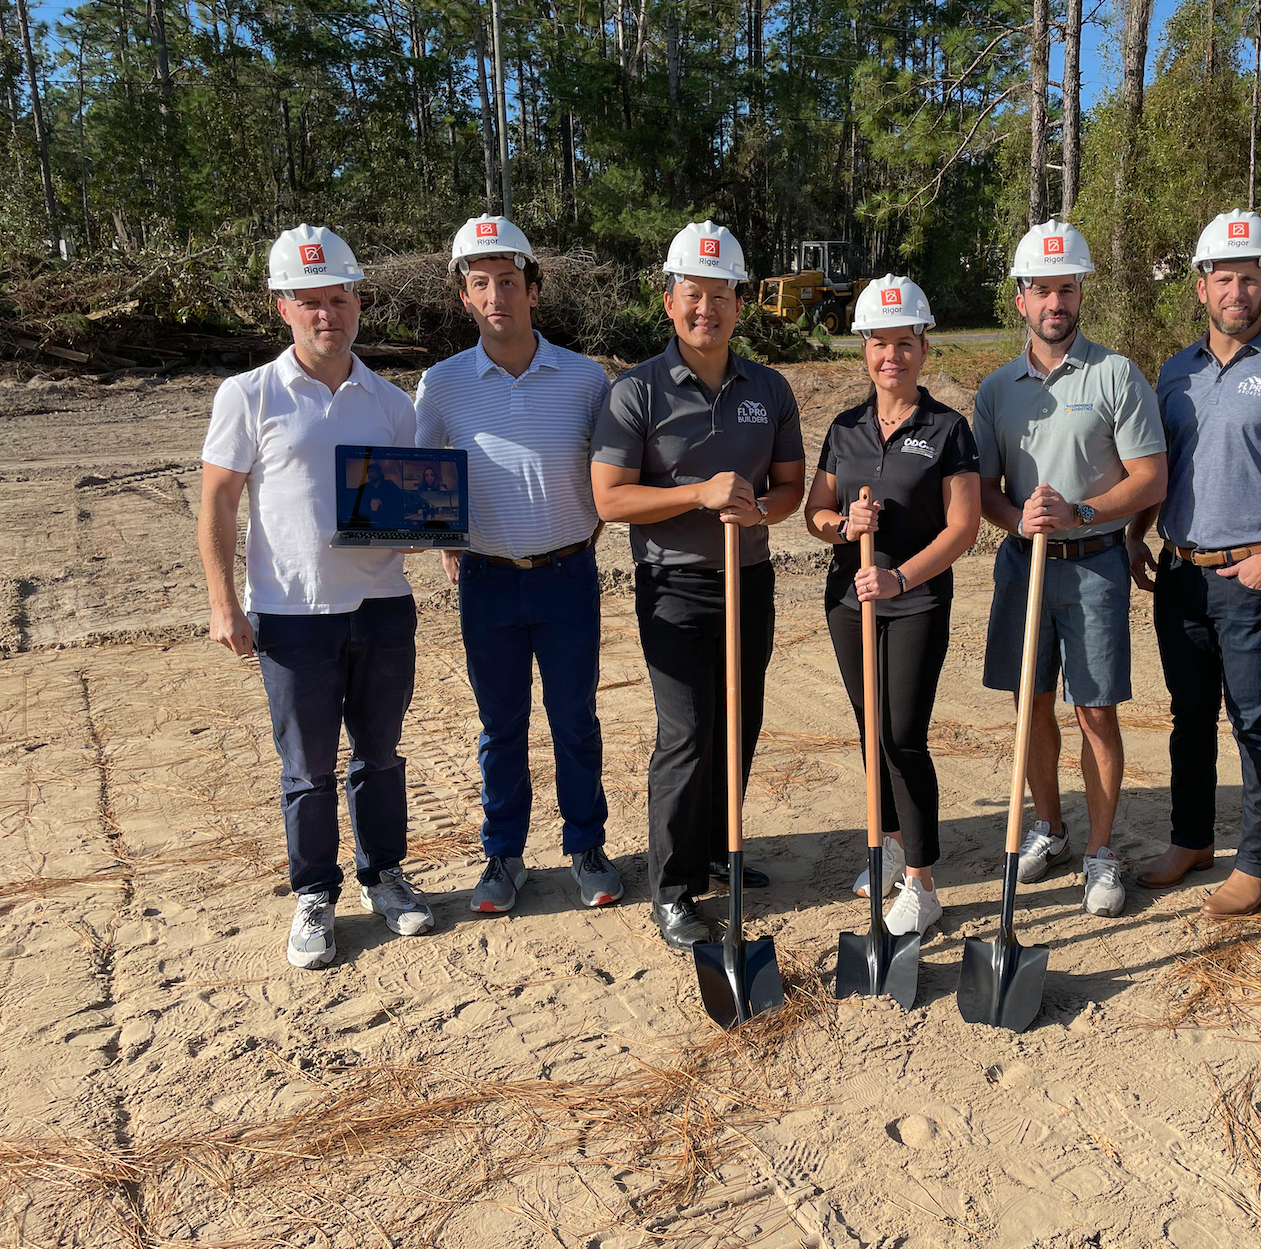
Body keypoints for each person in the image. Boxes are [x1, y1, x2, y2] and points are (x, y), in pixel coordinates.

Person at [197, 224, 432, 970]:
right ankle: (314, 894)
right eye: (311, 302)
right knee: (307, 768)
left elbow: (415, 502)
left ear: (357, 300)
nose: (328, 313)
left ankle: (383, 875)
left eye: (339, 297)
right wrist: (222, 602)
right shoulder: (249, 395)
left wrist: (435, 529)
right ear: (283, 310)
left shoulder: (391, 403)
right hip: (291, 615)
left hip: (383, 605)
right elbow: (218, 505)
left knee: (380, 754)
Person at [591, 221, 806, 951]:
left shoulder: (769, 388)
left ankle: (719, 845)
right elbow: (611, 499)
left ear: (739, 304)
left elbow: (790, 489)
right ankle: (674, 888)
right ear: (669, 300)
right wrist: (697, 496)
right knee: (685, 734)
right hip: (673, 588)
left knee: (738, 722)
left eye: (720, 296)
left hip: (749, 579)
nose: (705, 309)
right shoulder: (636, 392)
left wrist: (758, 508)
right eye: (693, 295)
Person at [1132, 210, 1261, 917]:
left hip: (1250, 577)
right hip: (1180, 572)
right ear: (1202, 287)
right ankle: (1191, 839)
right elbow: (1158, 470)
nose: (1237, 292)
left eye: (1249, 279)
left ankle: (1260, 864)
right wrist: (1138, 534)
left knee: (1255, 721)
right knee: (1188, 715)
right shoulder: (1176, 373)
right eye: (1224, 278)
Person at [415, 215, 620, 915]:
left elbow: (617, 467)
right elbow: (420, 477)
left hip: (568, 575)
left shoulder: (586, 379)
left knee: (574, 718)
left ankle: (586, 847)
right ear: (464, 298)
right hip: (488, 581)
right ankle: (503, 857)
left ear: (535, 289)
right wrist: (442, 540)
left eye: (509, 280)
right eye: (480, 283)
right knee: (500, 725)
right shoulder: (440, 385)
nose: (496, 294)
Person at [974, 219, 1168, 919]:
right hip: (1023, 567)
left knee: (1094, 711)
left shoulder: (1115, 375)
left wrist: (1082, 514)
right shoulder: (997, 390)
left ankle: (1101, 850)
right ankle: (1051, 829)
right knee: (1030, 706)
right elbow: (986, 490)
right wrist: (1015, 518)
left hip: (1094, 567)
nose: (1055, 303)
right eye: (1041, 291)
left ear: (1080, 292)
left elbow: (1151, 476)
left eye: (1066, 288)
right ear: (1021, 299)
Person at [802, 276, 981, 938]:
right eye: (879, 343)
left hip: (915, 602)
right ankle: (887, 847)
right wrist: (842, 525)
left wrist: (901, 579)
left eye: (904, 343)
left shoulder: (946, 429)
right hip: (848, 601)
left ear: (923, 347)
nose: (891, 356)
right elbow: (812, 513)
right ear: (865, 350)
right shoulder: (845, 429)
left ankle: (922, 883)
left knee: (903, 735)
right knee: (870, 728)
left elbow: (962, 528)